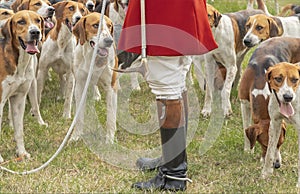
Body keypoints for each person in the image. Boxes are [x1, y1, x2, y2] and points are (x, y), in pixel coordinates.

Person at [118, 0, 218, 191]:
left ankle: (174, 174)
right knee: (176, 84)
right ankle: (172, 157)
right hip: (182, 11)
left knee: (167, 88)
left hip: (166, 11)